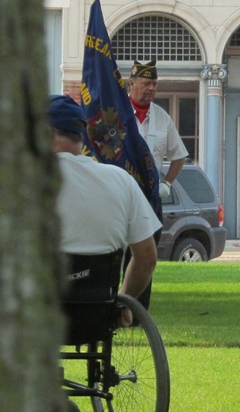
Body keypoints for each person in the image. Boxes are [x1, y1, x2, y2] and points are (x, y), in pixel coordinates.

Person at [51, 95, 160, 328]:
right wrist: (123, 300)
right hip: (97, 310)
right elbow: (147, 257)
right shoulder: (121, 180)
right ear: (80, 135)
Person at [128, 59, 188, 197]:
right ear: (132, 84)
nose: (152, 88)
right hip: (121, 192)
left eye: (154, 84)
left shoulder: (162, 117)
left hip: (150, 194)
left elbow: (179, 156)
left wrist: (166, 183)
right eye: (146, 84)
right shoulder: (116, 113)